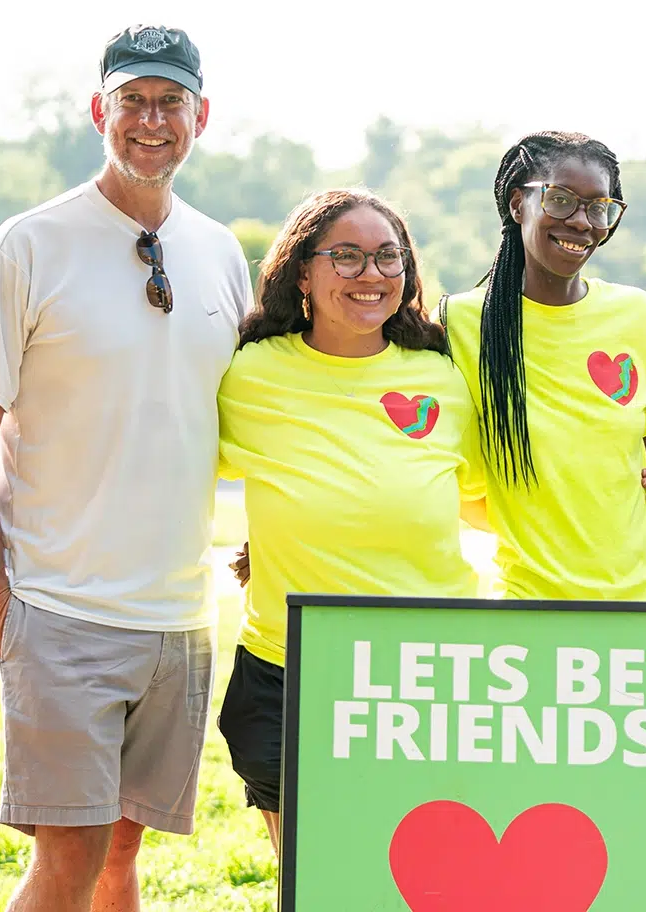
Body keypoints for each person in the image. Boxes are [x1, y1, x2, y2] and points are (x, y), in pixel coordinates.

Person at [0, 25, 250, 912]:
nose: (151, 122)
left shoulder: (221, 252)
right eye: (132, 102)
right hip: (61, 611)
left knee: (119, 860)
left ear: (201, 116)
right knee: (68, 860)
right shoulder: (28, 245)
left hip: (177, 622)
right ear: (97, 112)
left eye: (170, 103)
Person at [213, 189, 486, 858]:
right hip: (290, 669)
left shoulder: (444, 375)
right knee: (316, 878)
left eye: (388, 256)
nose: (372, 275)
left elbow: (487, 495)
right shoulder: (246, 373)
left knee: (426, 877)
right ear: (300, 271)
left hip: (431, 671)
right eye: (347, 256)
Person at [437, 130, 646, 601]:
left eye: (598, 207)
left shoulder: (636, 313)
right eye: (562, 200)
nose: (583, 222)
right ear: (516, 204)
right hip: (531, 605)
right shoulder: (460, 323)